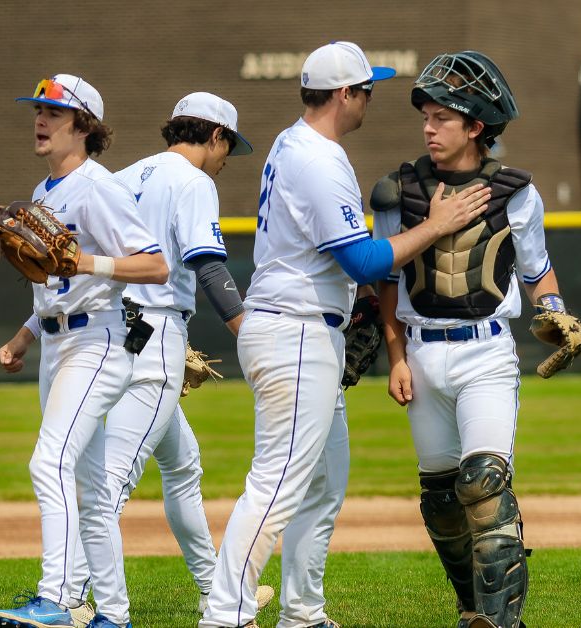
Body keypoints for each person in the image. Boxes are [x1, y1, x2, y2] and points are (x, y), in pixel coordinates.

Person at [200, 41, 493, 628]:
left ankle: (302, 614)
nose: (369, 101)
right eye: (366, 90)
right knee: (280, 481)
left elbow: (333, 259)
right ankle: (224, 615)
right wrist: (437, 227)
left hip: (303, 327)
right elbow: (362, 261)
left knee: (324, 481)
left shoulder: (293, 143)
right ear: (344, 94)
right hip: (296, 333)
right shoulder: (317, 157)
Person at [370, 51, 581, 628]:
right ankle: (471, 610)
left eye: (442, 118)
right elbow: (385, 283)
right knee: (441, 502)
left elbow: (538, 273)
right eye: (426, 117)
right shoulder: (398, 192)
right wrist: (394, 356)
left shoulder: (517, 194)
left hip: (486, 350)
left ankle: (502, 619)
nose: (428, 128)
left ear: (476, 126)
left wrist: (557, 312)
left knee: (483, 484)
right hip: (420, 352)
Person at [53, 92, 276, 622]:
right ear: (215, 135)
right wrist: (248, 333)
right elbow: (209, 267)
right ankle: (69, 600)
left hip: (112, 328)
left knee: (182, 463)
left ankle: (214, 588)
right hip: (155, 336)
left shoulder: (123, 175)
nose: (226, 161)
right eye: (229, 148)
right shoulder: (195, 181)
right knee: (112, 479)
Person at [0, 74, 169, 628]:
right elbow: (55, 287)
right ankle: (113, 614)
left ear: (84, 127)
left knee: (49, 461)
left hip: (99, 340)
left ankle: (58, 599)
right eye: (37, 110)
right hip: (58, 338)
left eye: (53, 112)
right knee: (91, 491)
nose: (40, 120)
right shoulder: (46, 193)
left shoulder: (98, 186)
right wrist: (24, 335)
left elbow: (156, 264)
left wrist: (91, 262)